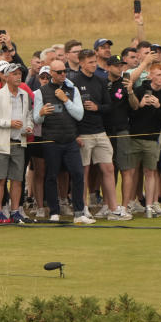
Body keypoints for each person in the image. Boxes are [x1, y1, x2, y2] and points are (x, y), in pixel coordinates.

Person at [69, 50, 127, 220]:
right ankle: (83, 208)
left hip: (100, 131)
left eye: (95, 62)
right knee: (84, 171)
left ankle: (113, 208)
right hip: (83, 133)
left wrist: (97, 108)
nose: (94, 65)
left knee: (108, 168)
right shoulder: (73, 83)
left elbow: (109, 106)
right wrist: (75, 134)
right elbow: (70, 110)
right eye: (90, 62)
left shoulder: (101, 81)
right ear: (81, 63)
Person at [33, 60, 92, 224]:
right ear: (51, 73)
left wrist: (65, 99)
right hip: (51, 140)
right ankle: (54, 212)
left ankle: (79, 213)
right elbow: (36, 118)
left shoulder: (72, 90)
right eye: (59, 72)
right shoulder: (40, 92)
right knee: (51, 176)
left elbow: (79, 115)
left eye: (64, 71)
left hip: (70, 139)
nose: (63, 74)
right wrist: (42, 112)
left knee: (78, 174)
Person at [124, 59, 161, 217]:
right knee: (131, 171)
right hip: (135, 136)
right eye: (158, 75)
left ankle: (149, 206)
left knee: (151, 172)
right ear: (150, 76)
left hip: (153, 139)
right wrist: (140, 105)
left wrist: (158, 107)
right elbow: (130, 113)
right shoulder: (140, 91)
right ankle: (126, 206)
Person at [0, 65, 33, 223]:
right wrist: (8, 123)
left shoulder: (25, 95)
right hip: (0, 143)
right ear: (5, 77)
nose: (18, 77)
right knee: (0, 178)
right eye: (14, 74)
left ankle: (14, 210)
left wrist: (29, 126)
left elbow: (29, 115)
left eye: (19, 74)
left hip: (19, 142)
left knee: (18, 179)